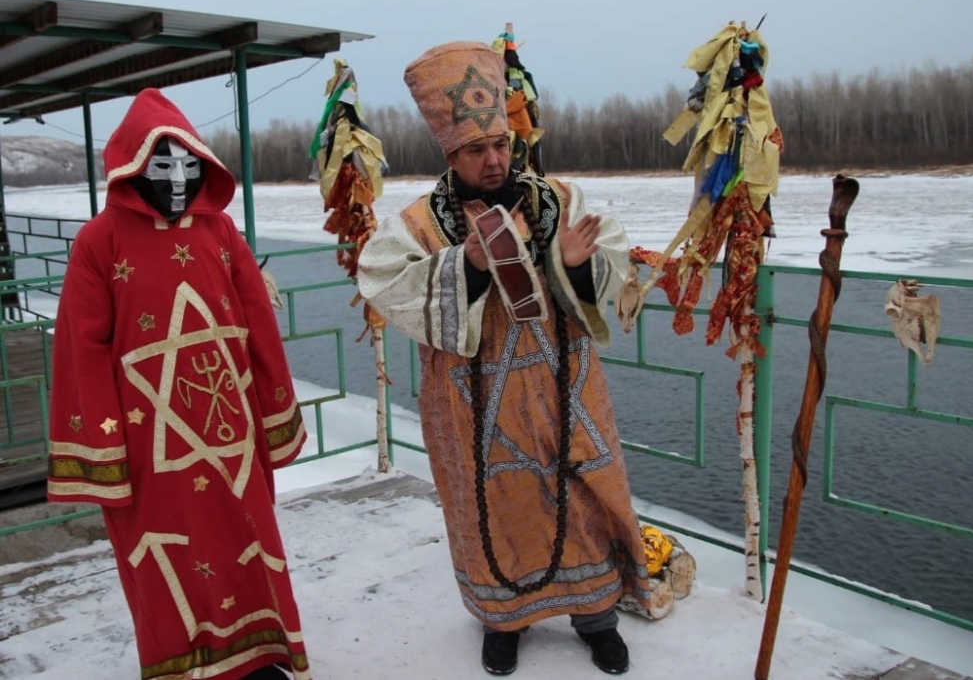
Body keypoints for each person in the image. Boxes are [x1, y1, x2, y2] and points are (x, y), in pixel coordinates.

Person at [357, 42, 651, 676]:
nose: (492, 161)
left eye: (499, 147)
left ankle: (596, 617)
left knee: (584, 501)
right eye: (474, 151)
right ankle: (502, 621)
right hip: (472, 397)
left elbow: (623, 273)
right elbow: (380, 278)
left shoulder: (561, 202)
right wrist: (464, 264)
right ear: (451, 154)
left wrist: (576, 265)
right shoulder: (420, 223)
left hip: (563, 387)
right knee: (491, 507)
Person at [46, 89, 311, 680]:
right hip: (151, 445)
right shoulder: (99, 241)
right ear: (133, 167)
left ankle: (256, 657)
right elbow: (81, 350)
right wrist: (105, 452)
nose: (176, 180)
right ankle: (187, 667)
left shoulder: (220, 232)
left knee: (245, 543)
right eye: (162, 167)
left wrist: (273, 413)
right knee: (168, 555)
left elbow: (258, 326)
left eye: (188, 166)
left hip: (230, 432)